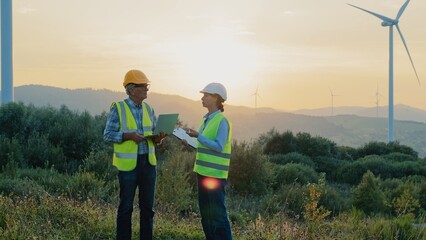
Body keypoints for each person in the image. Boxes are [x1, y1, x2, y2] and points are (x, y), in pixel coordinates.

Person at [104, 69, 166, 240]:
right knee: (126, 208)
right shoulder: (119, 108)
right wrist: (128, 136)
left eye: (147, 85)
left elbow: (153, 139)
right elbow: (107, 135)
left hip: (148, 164)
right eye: (143, 86)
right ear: (131, 89)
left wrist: (159, 138)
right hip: (129, 166)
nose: (147, 89)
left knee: (148, 209)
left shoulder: (149, 108)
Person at [185, 82, 233, 240]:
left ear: (216, 99)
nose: (202, 98)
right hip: (202, 173)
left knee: (218, 217)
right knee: (206, 216)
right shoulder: (206, 120)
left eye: (206, 95)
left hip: (215, 176)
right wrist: (189, 143)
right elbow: (204, 146)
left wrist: (198, 136)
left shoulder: (222, 121)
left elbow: (218, 146)